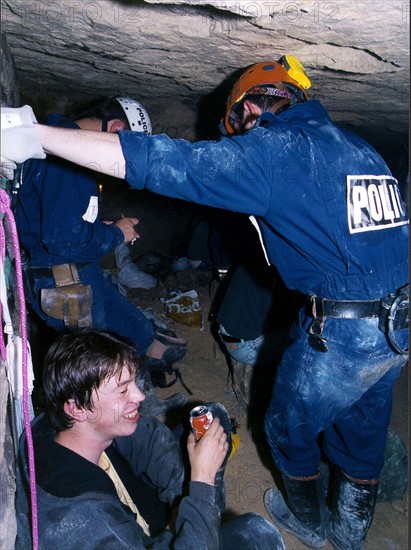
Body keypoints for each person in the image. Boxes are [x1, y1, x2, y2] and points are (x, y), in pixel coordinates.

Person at [2, 54, 409, 549]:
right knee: (364, 426)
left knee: (286, 427)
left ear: (248, 112)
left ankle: (309, 521)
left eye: (236, 125)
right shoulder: (358, 149)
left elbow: (174, 165)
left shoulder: (280, 149)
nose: (240, 139)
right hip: (397, 327)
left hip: (344, 330)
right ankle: (350, 531)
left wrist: (35, 134)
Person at [16, 330, 285, 549]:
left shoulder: (63, 426)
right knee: (257, 534)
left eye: (134, 383)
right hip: (141, 539)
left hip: (146, 512)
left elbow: (148, 439)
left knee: (207, 420)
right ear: (76, 408)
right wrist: (201, 483)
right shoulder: (85, 522)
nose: (140, 396)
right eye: (123, 390)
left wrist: (183, 499)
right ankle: (205, 514)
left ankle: (202, 511)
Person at [10, 96, 188, 417]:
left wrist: (96, 227)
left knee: (135, 329)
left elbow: (58, 222)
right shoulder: (71, 161)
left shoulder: (61, 144)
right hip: (65, 280)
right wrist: (117, 233)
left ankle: (144, 399)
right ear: (116, 129)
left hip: (77, 269)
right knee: (102, 365)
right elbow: (63, 241)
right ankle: (121, 422)